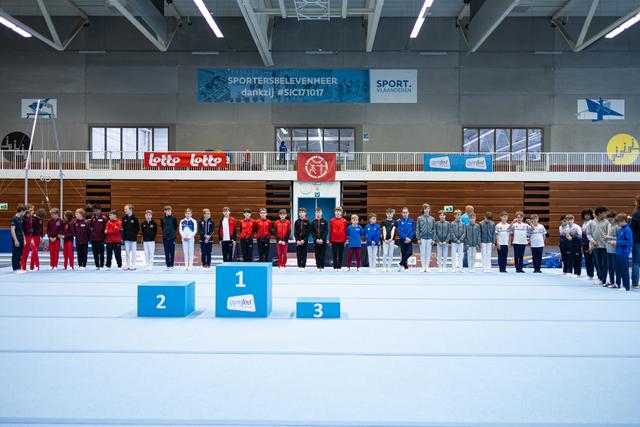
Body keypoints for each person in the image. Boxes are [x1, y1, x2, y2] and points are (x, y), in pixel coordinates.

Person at [587, 206, 609, 285]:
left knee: (604, 263)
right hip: (595, 246)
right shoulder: (591, 222)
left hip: (604, 246)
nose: (606, 214)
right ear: (599, 213)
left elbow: (609, 233)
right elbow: (588, 234)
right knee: (598, 263)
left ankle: (603, 279)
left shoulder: (607, 222)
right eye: (604, 213)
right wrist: (592, 242)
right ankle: (600, 278)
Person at [613, 213, 633, 292]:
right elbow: (619, 240)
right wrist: (615, 243)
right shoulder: (620, 229)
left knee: (624, 270)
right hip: (618, 252)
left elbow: (629, 241)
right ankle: (619, 284)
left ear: (624, 221)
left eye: (619, 222)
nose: (617, 224)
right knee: (619, 269)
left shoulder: (628, 229)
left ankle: (626, 286)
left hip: (624, 252)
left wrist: (617, 243)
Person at [416, 203, 435, 272]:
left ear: (429, 210)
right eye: (425, 209)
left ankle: (427, 267)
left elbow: (434, 229)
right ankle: (423, 267)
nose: (426, 210)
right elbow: (417, 228)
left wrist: (433, 239)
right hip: (422, 238)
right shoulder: (419, 218)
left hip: (430, 238)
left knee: (428, 253)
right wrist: (418, 238)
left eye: (428, 209)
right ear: (423, 210)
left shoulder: (432, 219)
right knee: (422, 253)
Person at [122, 204, 140, 271]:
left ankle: (133, 264)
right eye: (124, 209)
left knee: (133, 252)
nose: (125, 210)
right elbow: (123, 227)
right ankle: (127, 264)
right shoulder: (124, 218)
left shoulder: (135, 218)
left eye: (126, 209)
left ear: (131, 209)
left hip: (133, 238)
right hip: (126, 238)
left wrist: (133, 234)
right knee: (127, 252)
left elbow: (137, 228)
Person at [89, 205, 107, 270]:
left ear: (100, 210)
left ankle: (102, 265)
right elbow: (90, 226)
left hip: (101, 238)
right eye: (94, 211)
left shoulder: (104, 218)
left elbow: (106, 228)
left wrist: (105, 237)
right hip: (94, 238)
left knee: (101, 253)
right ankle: (97, 265)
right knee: (95, 253)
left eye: (96, 211)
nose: (95, 212)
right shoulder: (92, 218)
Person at [329, 207, 347, 271]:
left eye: (339, 211)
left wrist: (345, 240)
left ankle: (339, 266)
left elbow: (345, 230)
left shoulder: (344, 221)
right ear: (334, 212)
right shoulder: (332, 220)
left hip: (341, 240)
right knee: (334, 254)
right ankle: (335, 266)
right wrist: (330, 240)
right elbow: (330, 230)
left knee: (340, 254)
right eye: (336, 211)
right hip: (334, 240)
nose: (338, 212)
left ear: (341, 212)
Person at [160, 206, 178, 271]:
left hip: (172, 238)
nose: (169, 212)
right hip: (165, 238)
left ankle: (172, 265)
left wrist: (173, 235)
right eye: (168, 210)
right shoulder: (162, 219)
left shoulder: (174, 218)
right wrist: (165, 233)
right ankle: (167, 265)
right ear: (165, 211)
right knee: (166, 252)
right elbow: (162, 227)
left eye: (170, 210)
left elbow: (175, 227)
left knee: (172, 252)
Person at [397, 207, 415, 271]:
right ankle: (406, 267)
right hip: (402, 240)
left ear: (408, 213)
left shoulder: (411, 221)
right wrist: (405, 237)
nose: (405, 214)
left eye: (406, 213)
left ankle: (400, 263)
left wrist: (409, 238)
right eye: (404, 213)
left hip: (409, 240)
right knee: (404, 253)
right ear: (402, 214)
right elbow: (399, 231)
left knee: (409, 252)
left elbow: (413, 231)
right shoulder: (400, 221)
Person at [604, 210, 619, 287]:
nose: (609, 220)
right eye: (608, 219)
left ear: (615, 218)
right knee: (610, 267)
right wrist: (606, 238)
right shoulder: (609, 225)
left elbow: (619, 238)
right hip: (608, 248)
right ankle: (611, 281)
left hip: (615, 249)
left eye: (611, 219)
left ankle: (617, 282)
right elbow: (609, 235)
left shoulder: (617, 226)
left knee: (615, 267)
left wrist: (608, 237)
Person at [10, 204, 26, 274]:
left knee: (20, 253)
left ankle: (19, 267)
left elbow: (22, 230)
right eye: (24, 211)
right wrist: (16, 240)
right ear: (21, 211)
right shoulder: (14, 218)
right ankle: (15, 268)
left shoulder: (21, 219)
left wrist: (24, 239)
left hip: (21, 238)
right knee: (16, 253)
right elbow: (12, 230)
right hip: (16, 238)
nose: (24, 213)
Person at [581, 209, 595, 280]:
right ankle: (588, 274)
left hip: (589, 243)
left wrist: (590, 245)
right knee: (587, 259)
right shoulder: (584, 223)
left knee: (590, 259)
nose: (586, 216)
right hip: (584, 243)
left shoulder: (591, 223)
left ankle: (591, 274)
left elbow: (591, 234)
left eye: (588, 215)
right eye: (585, 215)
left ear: (591, 215)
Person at [19, 204, 34, 271]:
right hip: (25, 236)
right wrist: (24, 238)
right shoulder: (23, 218)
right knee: (24, 252)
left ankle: (24, 266)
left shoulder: (30, 217)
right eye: (32, 210)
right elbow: (22, 229)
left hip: (29, 236)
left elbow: (31, 227)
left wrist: (31, 238)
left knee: (27, 252)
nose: (33, 211)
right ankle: (22, 266)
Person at [630, 195, 640, 289]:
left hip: (637, 239)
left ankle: (635, 282)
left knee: (636, 262)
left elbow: (632, 227)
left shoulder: (636, 213)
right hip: (637, 239)